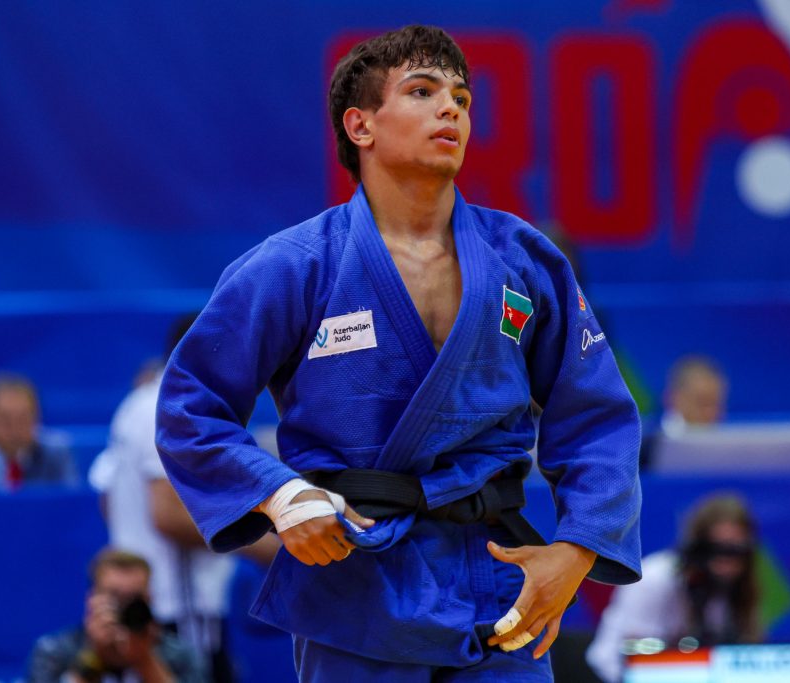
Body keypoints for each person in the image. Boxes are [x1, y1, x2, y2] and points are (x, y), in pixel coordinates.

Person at [155, 24, 642, 682]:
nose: (451, 109)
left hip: (499, 581)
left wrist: (577, 549)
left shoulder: (523, 259)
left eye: (461, 98)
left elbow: (597, 417)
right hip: (358, 579)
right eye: (422, 91)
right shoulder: (296, 265)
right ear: (360, 126)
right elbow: (190, 406)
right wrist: (280, 494)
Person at [89, 316, 279, 682]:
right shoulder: (167, 408)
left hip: (155, 598)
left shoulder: (140, 404)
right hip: (176, 605)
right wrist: (266, 548)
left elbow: (107, 499)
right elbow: (168, 515)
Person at [586, 494, 760, 683]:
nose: (726, 563)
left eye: (736, 551)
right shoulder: (655, 578)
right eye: (718, 550)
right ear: (696, 548)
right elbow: (634, 658)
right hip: (614, 675)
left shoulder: (737, 589)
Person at [27, 548, 204, 683]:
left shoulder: (180, 654)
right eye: (114, 596)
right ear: (91, 599)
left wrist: (144, 660)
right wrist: (95, 656)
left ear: (150, 600)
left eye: (135, 598)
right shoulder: (54, 651)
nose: (124, 607)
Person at [641, 356, 728, 467]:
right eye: (702, 403)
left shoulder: (730, 450)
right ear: (674, 398)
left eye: (716, 404)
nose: (710, 412)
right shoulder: (643, 446)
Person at [0, 374, 77, 491]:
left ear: (37, 417)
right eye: (5, 419)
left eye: (23, 419)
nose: (15, 428)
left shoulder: (56, 453)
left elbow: (69, 499)